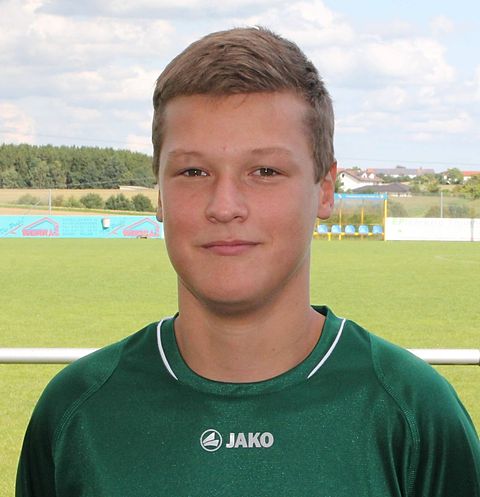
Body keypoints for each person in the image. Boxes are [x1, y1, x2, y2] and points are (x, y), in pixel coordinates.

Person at [17, 27, 479, 497]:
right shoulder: (76, 412)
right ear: (159, 193)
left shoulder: (414, 415)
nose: (224, 206)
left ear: (324, 189)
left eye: (265, 171)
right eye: (193, 171)